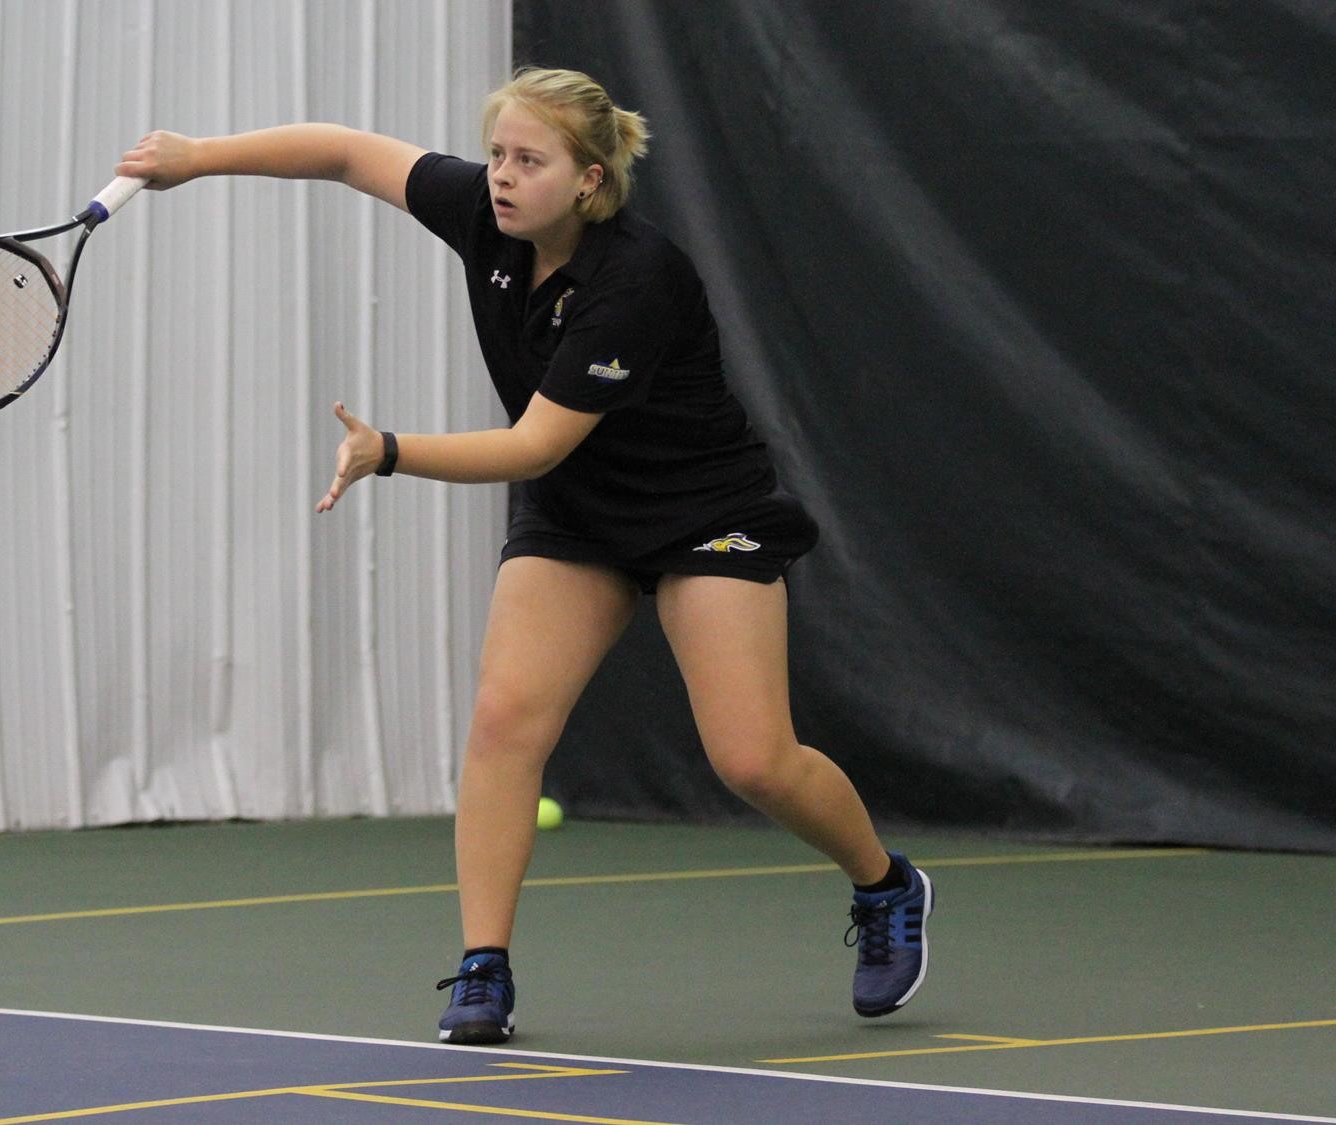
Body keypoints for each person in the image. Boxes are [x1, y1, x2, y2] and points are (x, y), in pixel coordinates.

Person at [117, 67, 932, 1045]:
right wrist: (198, 158)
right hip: (579, 518)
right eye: (497, 154)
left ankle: (885, 886)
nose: (500, 176)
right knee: (504, 722)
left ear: (588, 181)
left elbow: (533, 445)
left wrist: (391, 452)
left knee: (752, 760)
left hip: (704, 511)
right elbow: (341, 153)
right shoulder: (480, 213)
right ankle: (481, 971)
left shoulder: (634, 281)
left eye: (527, 162)